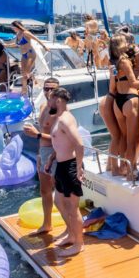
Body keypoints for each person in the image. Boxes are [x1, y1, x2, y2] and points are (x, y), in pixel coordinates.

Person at [43, 87, 85, 257]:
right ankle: (71, 235)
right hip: (60, 165)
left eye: (50, 100)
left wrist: (79, 167)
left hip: (69, 166)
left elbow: (79, 144)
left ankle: (79, 243)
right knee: (59, 202)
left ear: (58, 100)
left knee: (73, 208)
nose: (48, 103)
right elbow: (62, 143)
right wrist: (51, 158)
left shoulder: (65, 120)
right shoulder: (59, 119)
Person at [23, 76, 60, 235]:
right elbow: (44, 132)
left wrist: (36, 135)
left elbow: (61, 139)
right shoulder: (44, 106)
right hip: (44, 153)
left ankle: (70, 230)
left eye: (53, 89)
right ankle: (47, 224)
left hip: (57, 153)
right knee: (44, 191)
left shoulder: (61, 111)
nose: (49, 91)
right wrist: (39, 154)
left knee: (61, 194)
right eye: (46, 88)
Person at [110, 35, 139, 176]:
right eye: (125, 41)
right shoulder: (125, 61)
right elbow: (134, 84)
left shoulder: (113, 62)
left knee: (123, 137)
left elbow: (112, 88)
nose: (128, 43)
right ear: (121, 45)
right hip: (129, 99)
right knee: (131, 140)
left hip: (118, 102)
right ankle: (132, 172)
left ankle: (122, 168)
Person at [9, 20, 48, 95]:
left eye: (13, 27)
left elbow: (36, 39)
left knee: (26, 73)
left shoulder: (25, 33)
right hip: (23, 55)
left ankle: (25, 90)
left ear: (17, 26)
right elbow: (16, 44)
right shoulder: (18, 34)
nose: (12, 28)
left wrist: (44, 47)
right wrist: (6, 45)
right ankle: (32, 84)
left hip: (30, 53)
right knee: (23, 73)